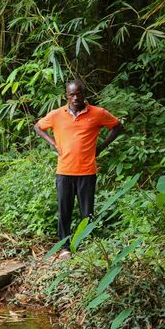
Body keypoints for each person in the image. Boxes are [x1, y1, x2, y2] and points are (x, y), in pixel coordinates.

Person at [34, 80, 123, 258]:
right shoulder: (56, 114)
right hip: (64, 172)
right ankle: (65, 247)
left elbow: (118, 127)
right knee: (64, 211)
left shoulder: (98, 113)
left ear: (84, 93)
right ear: (66, 95)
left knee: (87, 212)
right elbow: (38, 127)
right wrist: (53, 143)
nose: (75, 97)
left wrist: (100, 148)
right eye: (71, 94)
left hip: (87, 172)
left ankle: (85, 246)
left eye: (79, 94)